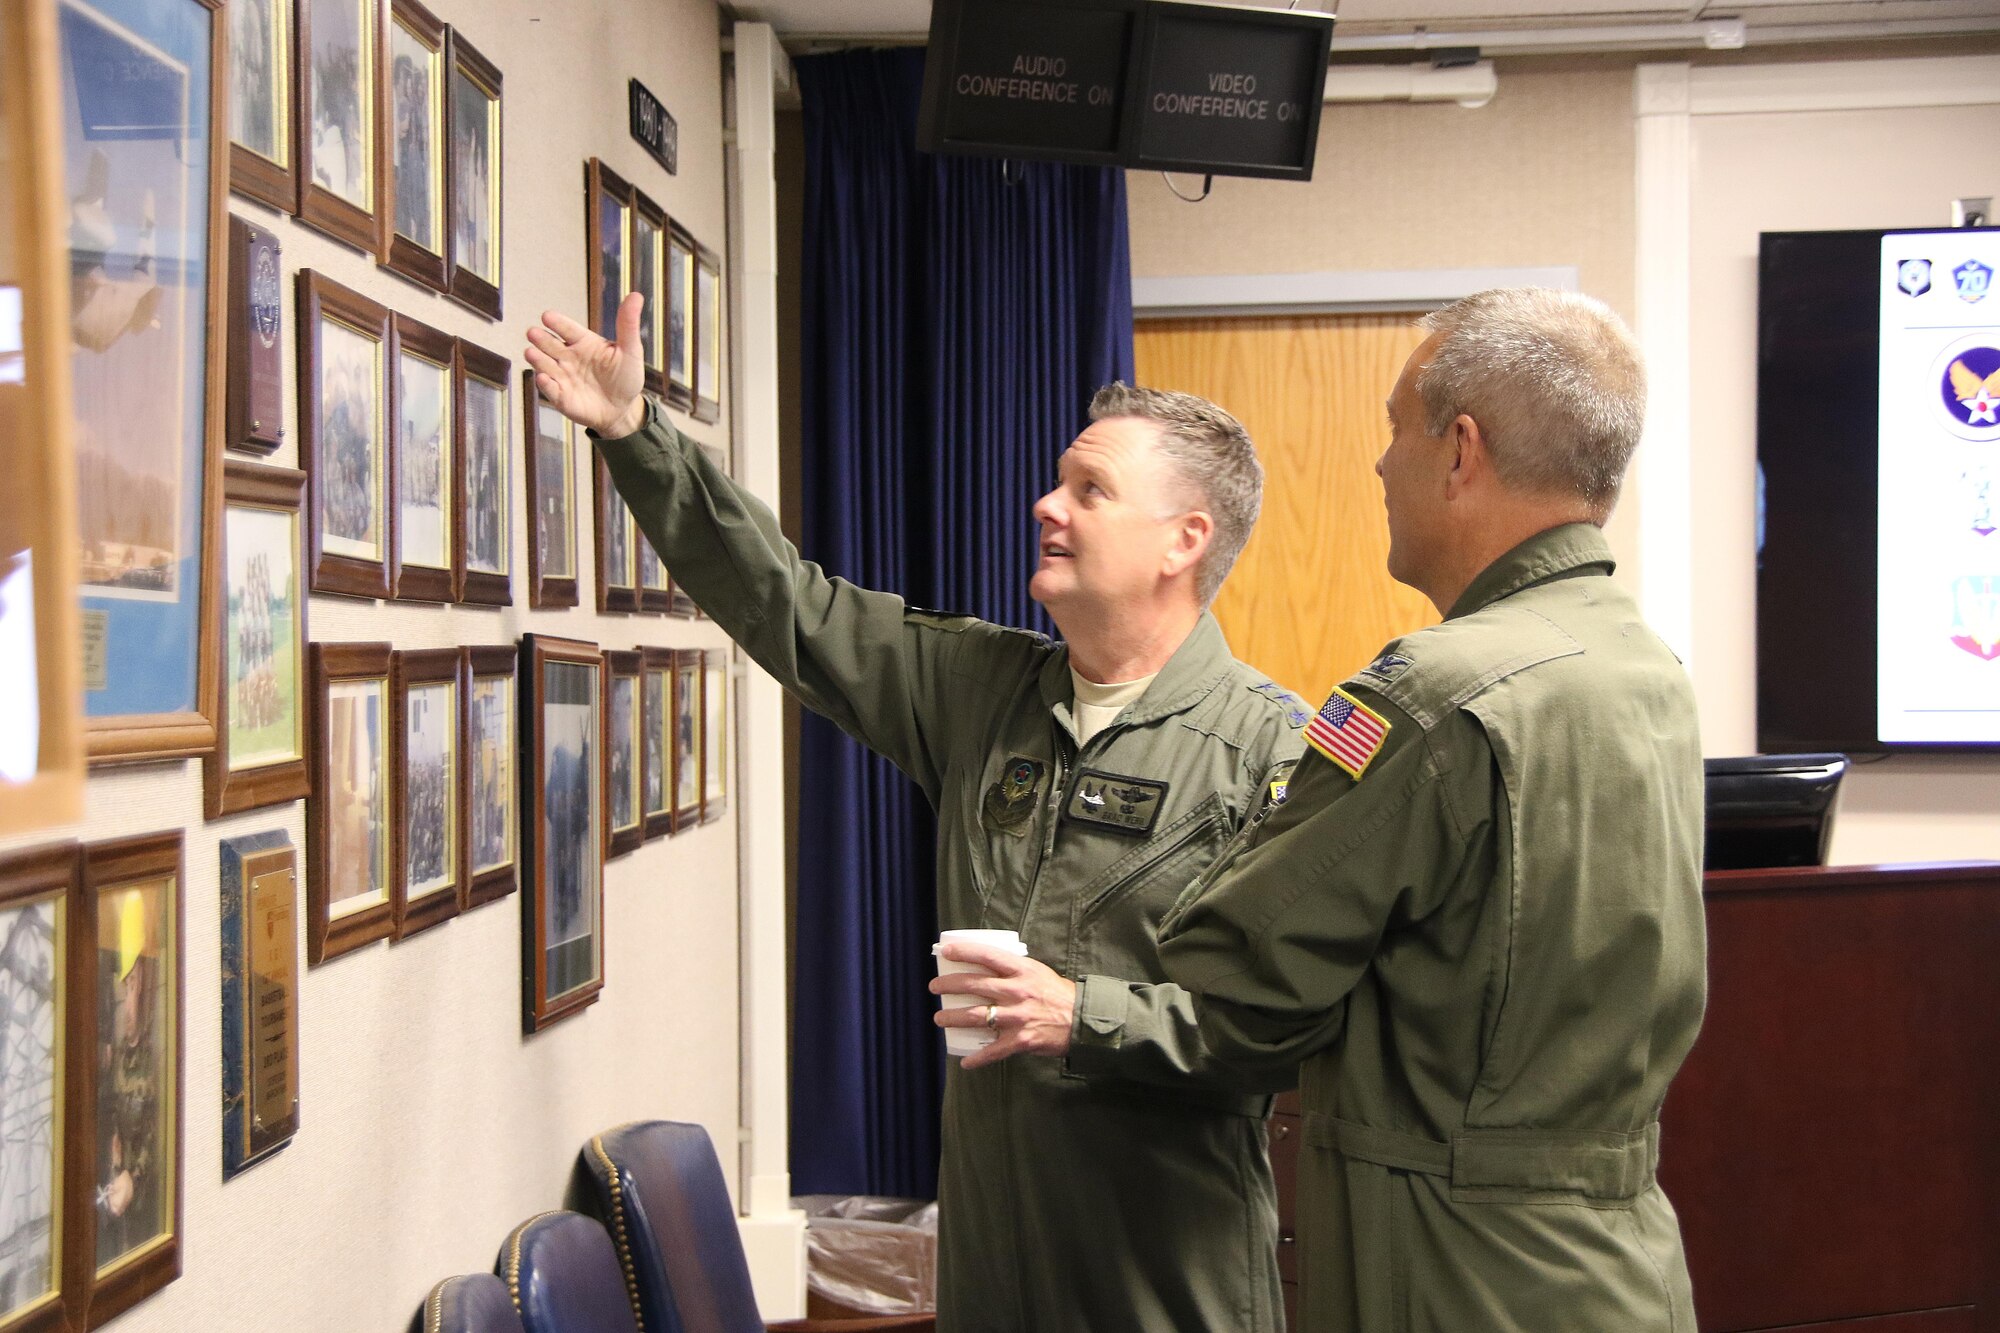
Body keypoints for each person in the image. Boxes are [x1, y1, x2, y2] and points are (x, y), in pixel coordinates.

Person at [526, 294, 1305, 1332]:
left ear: (1183, 541)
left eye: (1090, 489)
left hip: (1164, 1278)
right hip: (990, 1267)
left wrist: (1084, 1016)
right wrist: (634, 436)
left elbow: (1289, 1028)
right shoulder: (980, 688)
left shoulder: (1272, 749)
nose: (1046, 503)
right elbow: (788, 606)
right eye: (1057, 480)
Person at [1158, 288, 1707, 1331]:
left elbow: (1233, 976)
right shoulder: (1647, 668)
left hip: (1455, 1273)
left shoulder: (1428, 691)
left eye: (1394, 425)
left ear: (1459, 450)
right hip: (1617, 1269)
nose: (1377, 464)